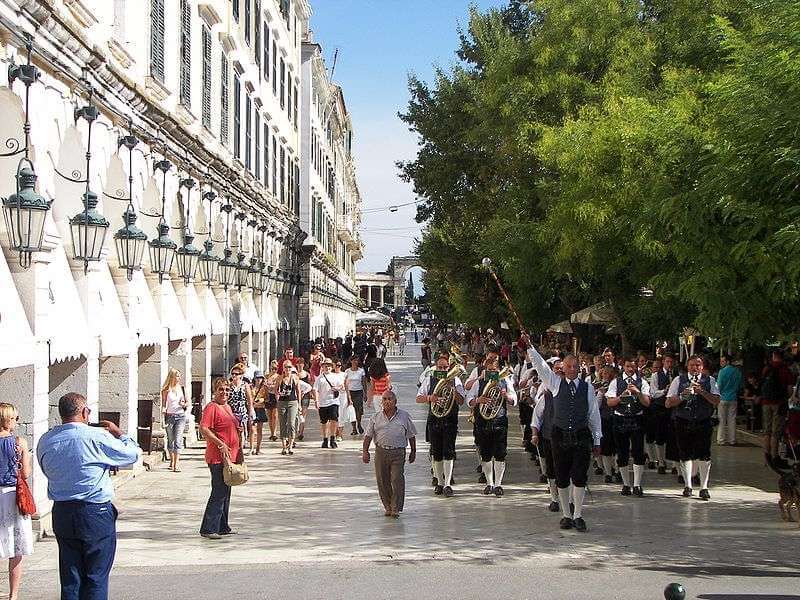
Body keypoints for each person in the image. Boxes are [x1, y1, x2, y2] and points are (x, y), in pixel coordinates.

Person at [37, 393, 140, 599]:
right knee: (96, 575)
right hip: (94, 511)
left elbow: (45, 468)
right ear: (84, 412)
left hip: (62, 510)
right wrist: (119, 433)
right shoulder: (97, 436)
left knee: (70, 576)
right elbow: (132, 454)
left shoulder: (47, 439)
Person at [526, 335, 601, 532]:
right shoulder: (555, 383)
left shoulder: (587, 388)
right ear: (563, 368)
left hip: (581, 434)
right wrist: (530, 348)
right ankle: (566, 515)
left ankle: (578, 515)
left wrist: (598, 439)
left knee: (579, 475)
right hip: (559, 436)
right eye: (568, 366)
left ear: (579, 369)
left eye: (575, 366)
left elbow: (593, 414)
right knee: (561, 475)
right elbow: (541, 366)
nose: (572, 369)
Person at [666, 355, 721, 500]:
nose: (695, 368)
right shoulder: (678, 380)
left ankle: (704, 487)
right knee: (685, 454)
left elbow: (716, 401)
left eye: (698, 365)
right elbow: (668, 403)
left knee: (704, 454)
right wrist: (682, 397)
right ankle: (688, 485)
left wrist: (702, 392)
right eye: (692, 365)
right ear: (687, 366)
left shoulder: (710, 381)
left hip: (703, 421)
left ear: (702, 367)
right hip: (683, 421)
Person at [467, 351, 517, 497]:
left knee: (500, 454)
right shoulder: (479, 382)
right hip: (483, 421)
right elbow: (469, 398)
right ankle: (489, 483)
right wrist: (478, 400)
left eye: (494, 370)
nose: (491, 373)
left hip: (499, 420)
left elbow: (514, 398)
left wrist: (506, 395)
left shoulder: (505, 380)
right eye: (489, 370)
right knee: (486, 454)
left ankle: (498, 484)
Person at [362, 390, 417, 517]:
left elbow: (411, 435)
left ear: (395, 401)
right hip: (381, 451)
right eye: (385, 399)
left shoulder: (404, 416)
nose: (387, 401)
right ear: (381, 402)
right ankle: (387, 506)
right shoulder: (375, 417)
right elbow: (368, 436)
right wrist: (365, 452)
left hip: (398, 452)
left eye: (390, 399)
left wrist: (413, 451)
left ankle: (396, 507)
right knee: (382, 480)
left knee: (397, 479)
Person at [416, 351, 465, 497]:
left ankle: (448, 483)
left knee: (448, 451)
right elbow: (418, 398)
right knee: (436, 452)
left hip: (450, 420)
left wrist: (453, 389)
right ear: (435, 367)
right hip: (434, 419)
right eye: (440, 368)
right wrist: (431, 398)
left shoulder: (455, 380)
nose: (443, 370)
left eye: (445, 368)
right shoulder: (429, 379)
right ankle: (439, 482)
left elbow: (461, 401)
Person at [199, 378, 242, 539]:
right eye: (221, 390)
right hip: (217, 457)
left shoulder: (227, 407)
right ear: (215, 391)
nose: (224, 393)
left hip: (230, 456)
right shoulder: (212, 407)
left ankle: (222, 525)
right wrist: (219, 443)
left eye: (227, 390)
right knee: (219, 491)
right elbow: (204, 429)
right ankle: (209, 528)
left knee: (226, 491)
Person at [606, 357, 652, 496]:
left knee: (638, 451)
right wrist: (621, 396)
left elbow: (647, 403)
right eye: (627, 366)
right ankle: (626, 484)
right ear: (623, 367)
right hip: (620, 419)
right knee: (622, 452)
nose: (630, 369)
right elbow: (609, 403)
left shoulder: (642, 382)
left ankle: (637, 484)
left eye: (632, 366)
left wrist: (638, 392)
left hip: (637, 418)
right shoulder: (616, 382)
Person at [0, 403, 33, 600]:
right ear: (10, 420)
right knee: (16, 549)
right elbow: (26, 473)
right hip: (12, 496)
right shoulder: (19, 443)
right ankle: (13, 594)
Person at [760, 350, 794, 467]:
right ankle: (775, 457)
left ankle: (766, 457)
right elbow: (790, 390)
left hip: (765, 403)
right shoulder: (785, 370)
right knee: (776, 432)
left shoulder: (766, 369)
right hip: (778, 404)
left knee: (767, 431)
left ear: (773, 357)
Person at [648, 355, 676, 474]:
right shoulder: (656, 375)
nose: (669, 364)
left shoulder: (677, 376)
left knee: (673, 435)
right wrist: (664, 391)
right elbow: (653, 393)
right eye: (667, 361)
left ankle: (675, 463)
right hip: (660, 408)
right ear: (663, 362)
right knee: (659, 435)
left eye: (671, 362)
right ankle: (661, 461)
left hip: (673, 408)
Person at [276, 362, 312, 455]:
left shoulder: (295, 378)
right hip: (282, 402)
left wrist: (299, 404)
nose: (287, 369)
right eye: (286, 367)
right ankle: (284, 446)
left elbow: (298, 391)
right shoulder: (280, 378)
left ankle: (291, 446)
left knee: (291, 423)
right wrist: (277, 399)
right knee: (282, 424)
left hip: (293, 402)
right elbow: (276, 390)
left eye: (289, 367)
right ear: (283, 368)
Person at [160, 368, 188, 472]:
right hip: (170, 416)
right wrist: (163, 410)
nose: (179, 378)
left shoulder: (182, 388)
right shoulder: (166, 390)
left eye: (179, 376)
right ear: (172, 377)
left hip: (180, 416)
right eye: (177, 376)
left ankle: (176, 464)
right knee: (170, 439)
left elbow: (188, 403)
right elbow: (163, 404)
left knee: (178, 439)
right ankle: (172, 461)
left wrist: (183, 404)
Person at [313, 358, 345, 448]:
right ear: (322, 367)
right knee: (324, 422)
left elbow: (342, 385)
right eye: (326, 366)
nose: (328, 367)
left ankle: (332, 438)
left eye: (329, 366)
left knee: (334, 420)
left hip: (333, 401)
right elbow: (315, 389)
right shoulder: (319, 378)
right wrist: (316, 400)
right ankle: (325, 439)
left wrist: (337, 388)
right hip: (323, 402)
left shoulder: (335, 376)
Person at [716, 354, 743, 445]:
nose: (721, 363)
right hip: (733, 397)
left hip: (723, 397)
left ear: (727, 361)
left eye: (723, 361)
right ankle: (732, 440)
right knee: (732, 419)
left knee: (722, 419)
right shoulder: (737, 372)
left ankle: (721, 439)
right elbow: (739, 385)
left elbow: (719, 386)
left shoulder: (722, 372)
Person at [228, 363, 254, 448]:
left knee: (241, 431)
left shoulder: (244, 385)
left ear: (241, 375)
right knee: (232, 431)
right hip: (231, 412)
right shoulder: (229, 385)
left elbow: (249, 400)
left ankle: (241, 449)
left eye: (236, 374)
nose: (234, 375)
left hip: (242, 412)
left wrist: (250, 412)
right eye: (233, 374)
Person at [345, 356, 367, 435]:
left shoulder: (361, 371)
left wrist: (365, 393)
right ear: (351, 361)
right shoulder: (347, 371)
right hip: (350, 392)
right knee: (352, 411)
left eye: (357, 361)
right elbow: (345, 383)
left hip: (359, 392)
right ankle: (354, 428)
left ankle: (359, 424)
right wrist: (347, 395)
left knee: (359, 410)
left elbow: (364, 383)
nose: (355, 362)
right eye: (354, 360)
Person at [296, 357, 313, 441]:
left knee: (303, 414)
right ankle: (297, 429)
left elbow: (310, 385)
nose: (300, 365)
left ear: (303, 364)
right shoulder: (294, 374)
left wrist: (309, 393)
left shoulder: (307, 374)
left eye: (301, 363)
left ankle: (301, 432)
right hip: (296, 396)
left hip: (305, 396)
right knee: (297, 413)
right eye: (298, 363)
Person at [250, 370, 268, 454]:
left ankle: (258, 448)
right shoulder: (250, 387)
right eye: (257, 377)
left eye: (260, 377)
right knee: (252, 430)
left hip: (261, 408)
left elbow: (268, 399)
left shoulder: (264, 388)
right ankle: (251, 448)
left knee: (259, 429)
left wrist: (262, 400)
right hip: (253, 409)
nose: (258, 379)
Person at [264, 360, 280, 442]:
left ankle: (274, 433)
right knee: (269, 416)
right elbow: (264, 386)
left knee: (275, 415)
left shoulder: (279, 377)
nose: (274, 370)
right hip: (268, 396)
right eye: (272, 368)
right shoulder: (266, 376)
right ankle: (271, 432)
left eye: (275, 368)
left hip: (275, 396)